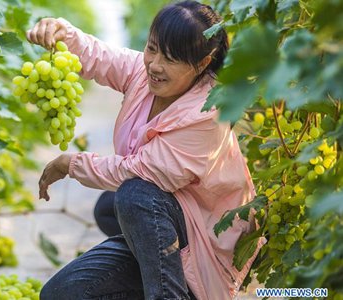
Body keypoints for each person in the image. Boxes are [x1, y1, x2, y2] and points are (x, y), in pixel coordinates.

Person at [26, 1, 265, 299]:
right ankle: (159, 272)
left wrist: (70, 163)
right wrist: (63, 32)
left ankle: (174, 293)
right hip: (175, 224)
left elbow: (136, 170)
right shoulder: (145, 75)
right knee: (60, 292)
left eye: (171, 59)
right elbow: (102, 57)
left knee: (134, 196)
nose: (154, 65)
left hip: (206, 247)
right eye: (152, 49)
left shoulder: (207, 114)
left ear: (202, 64)